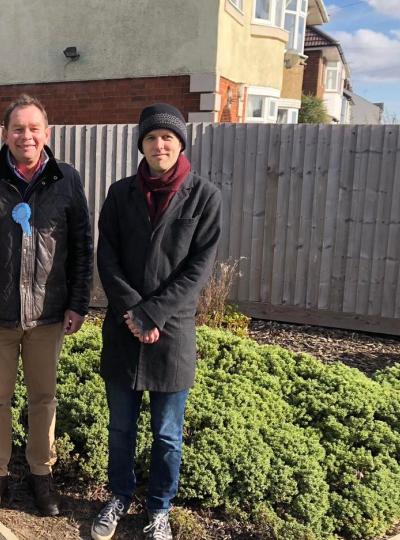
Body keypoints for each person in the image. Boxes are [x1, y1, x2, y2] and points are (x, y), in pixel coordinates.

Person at [91, 103, 221, 540]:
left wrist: (153, 313)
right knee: (120, 426)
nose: (158, 144)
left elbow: (198, 268)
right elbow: (105, 256)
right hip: (124, 330)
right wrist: (133, 310)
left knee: (167, 435)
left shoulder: (204, 197)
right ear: (141, 146)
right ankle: (119, 495)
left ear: (180, 143)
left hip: (173, 333)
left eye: (167, 137)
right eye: (150, 138)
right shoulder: (120, 193)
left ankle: (160, 508)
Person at [0, 94, 93, 516]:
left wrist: (78, 302)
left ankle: (42, 474)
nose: (26, 136)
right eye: (18, 128)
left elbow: (81, 246)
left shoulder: (67, 179)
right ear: (5, 134)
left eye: (33, 128)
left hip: (49, 313)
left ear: (47, 133)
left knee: (44, 398)